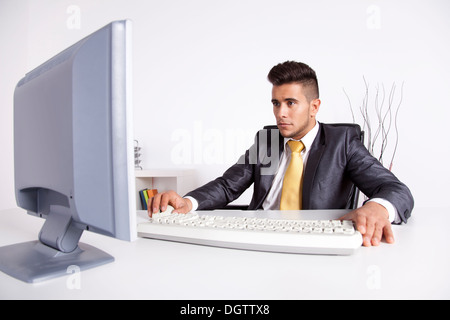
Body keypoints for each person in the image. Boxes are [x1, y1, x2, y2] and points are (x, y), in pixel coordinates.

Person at [149, 61, 414, 247]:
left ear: (314, 106)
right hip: (259, 238)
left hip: (314, 243)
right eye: (276, 103)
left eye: (290, 103)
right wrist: (188, 202)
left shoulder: (341, 142)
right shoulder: (268, 141)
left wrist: (378, 207)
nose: (280, 113)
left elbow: (395, 189)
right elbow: (227, 186)